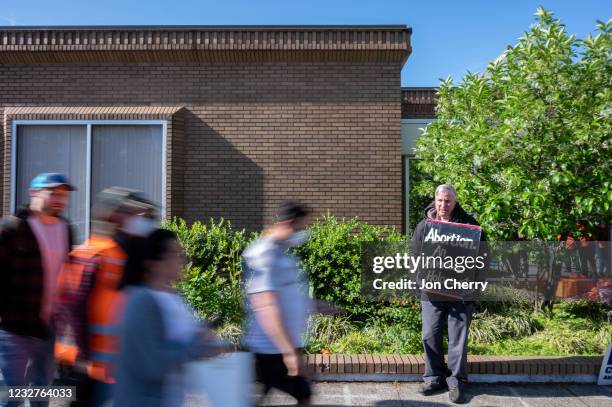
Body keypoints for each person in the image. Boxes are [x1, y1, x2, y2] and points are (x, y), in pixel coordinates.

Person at [54, 187, 157, 406]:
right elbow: (73, 305)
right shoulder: (93, 255)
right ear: (113, 216)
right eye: (131, 213)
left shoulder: (120, 252)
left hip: (109, 360)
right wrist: (83, 356)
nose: (139, 219)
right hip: (85, 362)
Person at [113, 229, 226, 407]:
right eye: (175, 254)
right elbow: (152, 364)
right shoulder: (141, 301)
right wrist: (197, 346)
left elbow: (187, 342)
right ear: (154, 263)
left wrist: (208, 344)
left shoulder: (175, 296)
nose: (183, 260)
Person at [0, 173, 75, 407]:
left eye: (63, 195)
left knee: (42, 394)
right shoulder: (13, 227)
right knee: (14, 394)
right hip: (15, 327)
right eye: (53, 193)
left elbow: (67, 275)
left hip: (50, 327)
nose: (59, 199)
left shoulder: (66, 228)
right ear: (34, 193)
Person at [411, 184, 486, 404]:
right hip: (431, 291)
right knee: (429, 335)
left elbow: (483, 258)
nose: (443, 205)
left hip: (461, 294)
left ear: (455, 202)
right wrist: (418, 282)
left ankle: (456, 381)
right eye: (440, 200)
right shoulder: (424, 226)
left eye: (448, 201)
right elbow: (414, 255)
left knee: (458, 340)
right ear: (435, 200)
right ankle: (434, 378)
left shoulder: (470, 226)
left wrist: (475, 288)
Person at [242, 201, 314, 407]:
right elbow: (265, 304)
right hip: (269, 349)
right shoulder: (264, 253)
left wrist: (314, 304)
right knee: (304, 396)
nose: (301, 232)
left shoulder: (281, 252)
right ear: (290, 223)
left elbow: (287, 293)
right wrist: (288, 352)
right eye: (301, 227)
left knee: (303, 396)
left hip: (281, 346)